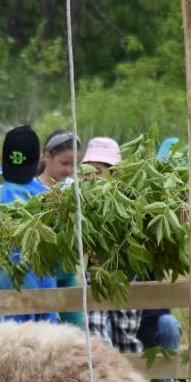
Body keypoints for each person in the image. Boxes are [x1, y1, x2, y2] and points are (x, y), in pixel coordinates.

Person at [0, 125, 63, 326]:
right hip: (45, 290)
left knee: (13, 347)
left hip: (10, 289)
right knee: (48, 347)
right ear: (39, 159)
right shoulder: (49, 197)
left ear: (2, 159)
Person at [75, 137, 145, 353]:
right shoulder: (79, 201)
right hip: (94, 275)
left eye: (97, 170)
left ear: (114, 172)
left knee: (125, 334)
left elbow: (137, 240)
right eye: (87, 169)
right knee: (95, 332)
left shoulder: (129, 200)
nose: (91, 176)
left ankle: (130, 381)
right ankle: (102, 380)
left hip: (125, 274)